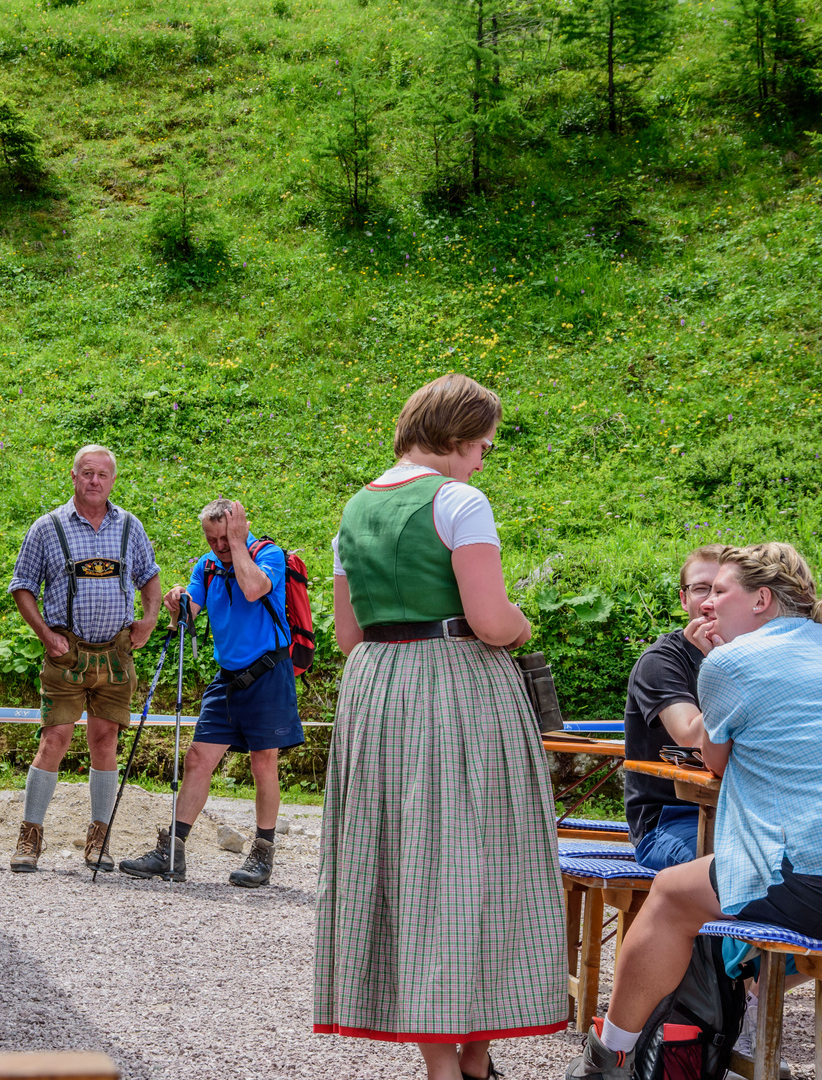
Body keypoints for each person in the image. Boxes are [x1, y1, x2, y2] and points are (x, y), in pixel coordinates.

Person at [566, 543, 822, 1080]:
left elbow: (719, 762)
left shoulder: (729, 661)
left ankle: (608, 1056)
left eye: (720, 592)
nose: (707, 605)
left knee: (671, 894)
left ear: (762, 600)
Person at [315, 374, 566, 1080]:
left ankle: (445, 1065)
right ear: (455, 440)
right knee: (484, 858)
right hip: (455, 684)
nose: (485, 459)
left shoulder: (356, 509)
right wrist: (519, 625)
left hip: (379, 691)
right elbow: (491, 621)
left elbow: (348, 634)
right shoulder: (459, 499)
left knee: (410, 864)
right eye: (483, 445)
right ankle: (476, 1058)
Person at [119, 498, 305, 887]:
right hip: (228, 676)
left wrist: (239, 544)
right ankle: (172, 850)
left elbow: (254, 589)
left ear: (239, 528)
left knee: (262, 763)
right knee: (198, 758)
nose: (219, 545)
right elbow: (187, 617)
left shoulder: (267, 554)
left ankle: (262, 853)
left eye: (224, 537)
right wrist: (176, 604)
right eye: (212, 538)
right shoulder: (206, 566)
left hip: (269, 671)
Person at [7, 445, 162, 874]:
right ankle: (30, 836)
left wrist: (148, 621)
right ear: (73, 477)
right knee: (53, 739)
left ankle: (99, 838)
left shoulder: (131, 527)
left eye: (103, 475)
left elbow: (150, 577)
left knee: (105, 740)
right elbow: (22, 585)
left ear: (112, 481)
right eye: (87, 473)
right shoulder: (47, 527)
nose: (95, 481)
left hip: (115, 654)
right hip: (66, 653)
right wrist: (45, 634)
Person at [622, 545, 728, 871]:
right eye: (700, 589)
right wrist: (720, 665)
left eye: (721, 589)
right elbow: (691, 737)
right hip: (671, 818)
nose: (709, 600)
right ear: (684, 600)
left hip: (743, 812)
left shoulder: (756, 651)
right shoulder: (661, 661)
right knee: (732, 873)